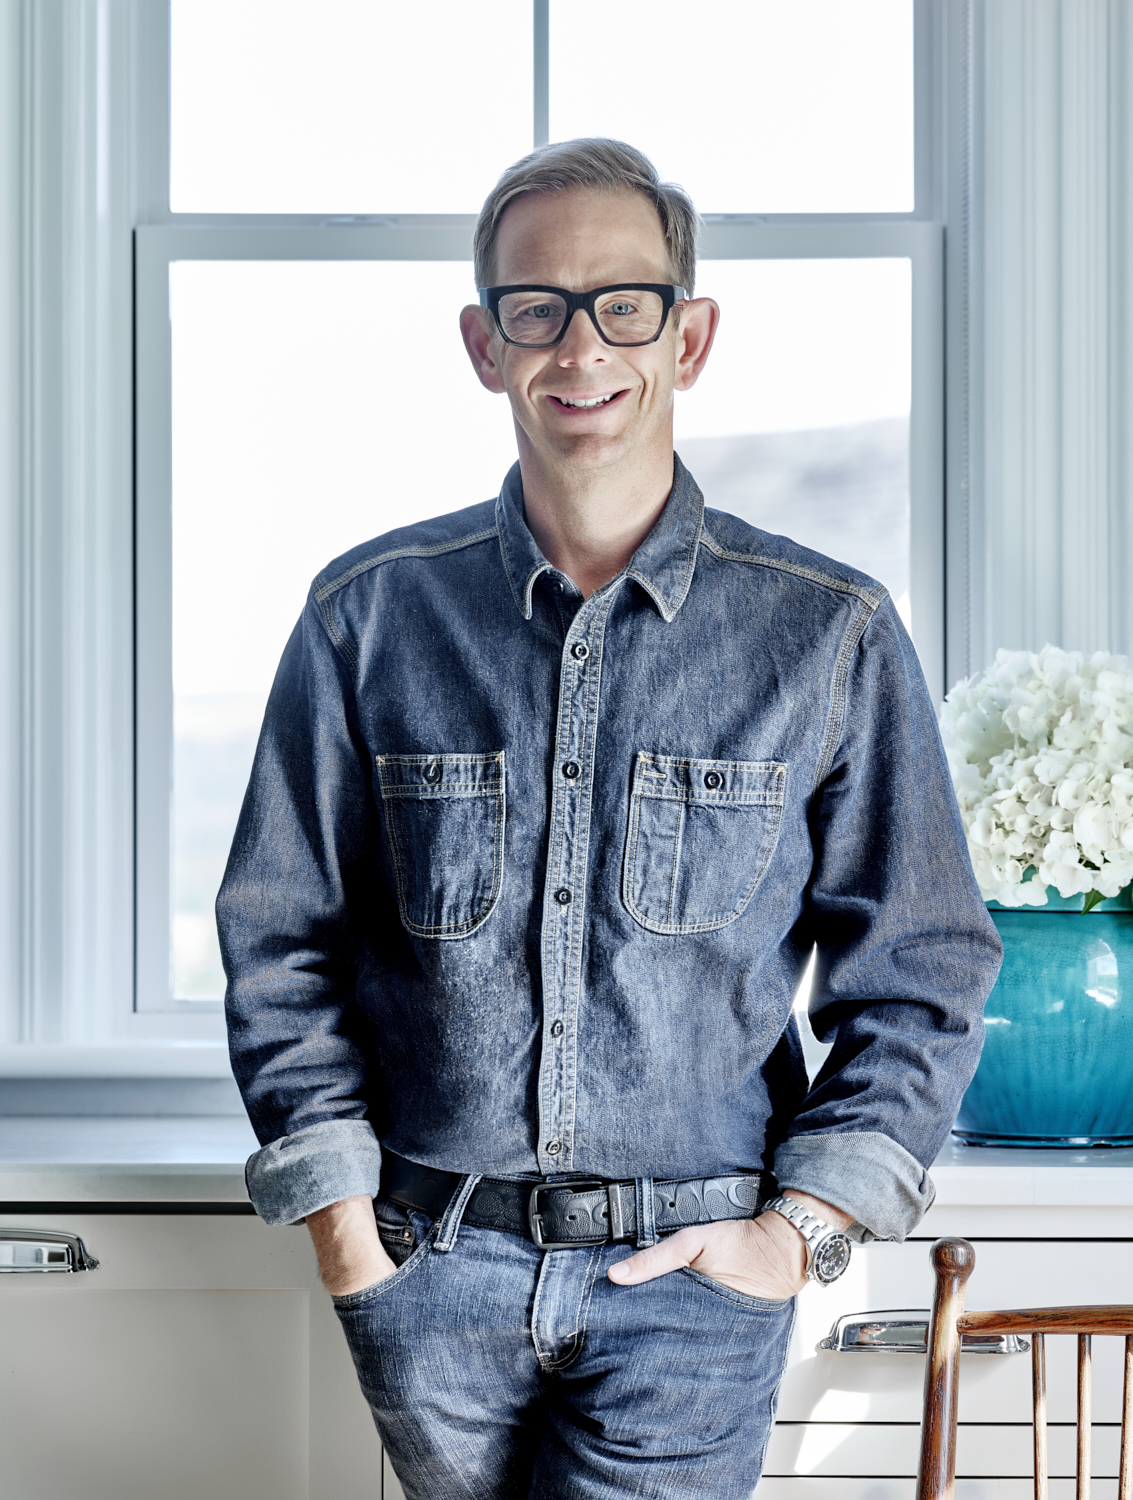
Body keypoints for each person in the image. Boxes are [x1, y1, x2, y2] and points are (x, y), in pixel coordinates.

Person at [218, 138, 1002, 1499]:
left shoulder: (827, 631)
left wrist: (796, 1234)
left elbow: (922, 969)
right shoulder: (368, 616)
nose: (579, 346)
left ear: (688, 337)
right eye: (538, 307)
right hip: (427, 1269)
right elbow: (283, 940)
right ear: (483, 343)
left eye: (622, 304)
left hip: (692, 1287)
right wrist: (346, 1230)